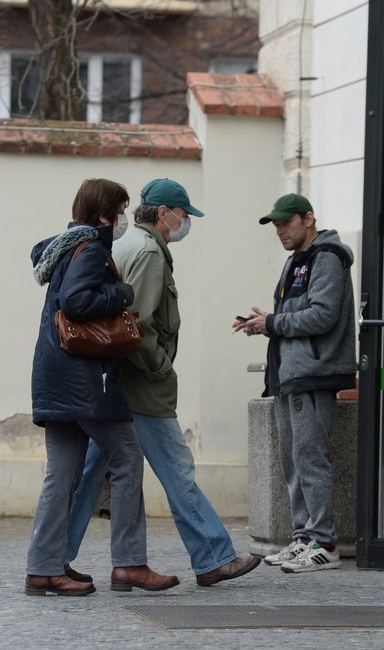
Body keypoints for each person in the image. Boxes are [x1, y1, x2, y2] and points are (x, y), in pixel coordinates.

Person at [65, 178, 261, 586]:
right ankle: (213, 557)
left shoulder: (127, 244)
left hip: (116, 381)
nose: (185, 222)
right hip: (142, 385)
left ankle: (53, 559)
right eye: (183, 214)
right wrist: (159, 369)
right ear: (163, 213)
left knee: (88, 475)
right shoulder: (151, 251)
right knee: (176, 469)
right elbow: (140, 324)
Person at [26, 178, 180, 595]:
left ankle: (43, 568)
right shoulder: (91, 248)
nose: (123, 221)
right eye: (120, 212)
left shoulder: (63, 247)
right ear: (102, 215)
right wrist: (121, 291)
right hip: (85, 381)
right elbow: (77, 302)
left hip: (55, 377)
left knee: (61, 475)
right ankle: (129, 564)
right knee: (128, 457)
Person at [232, 193, 356, 573]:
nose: (280, 230)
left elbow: (322, 316)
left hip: (314, 373)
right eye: (276, 224)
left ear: (308, 219)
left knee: (310, 458)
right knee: (292, 459)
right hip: (290, 372)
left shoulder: (328, 257)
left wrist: (272, 323)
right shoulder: (296, 262)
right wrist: (266, 321)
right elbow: (295, 316)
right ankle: (303, 537)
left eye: (286, 222)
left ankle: (324, 542)